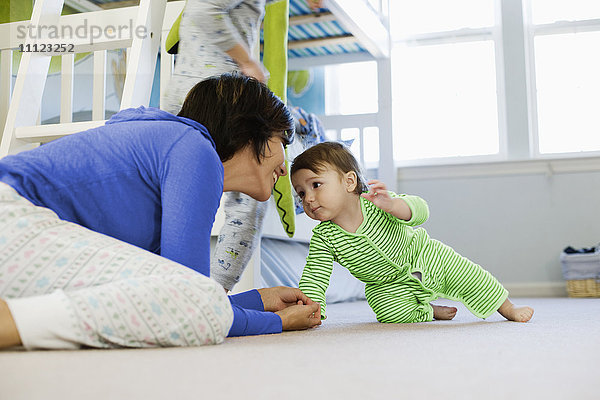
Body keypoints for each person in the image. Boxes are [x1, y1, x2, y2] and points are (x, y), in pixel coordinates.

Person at [0, 74, 321, 350]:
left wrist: (259, 302)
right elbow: (195, 302)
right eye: (282, 140)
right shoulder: (196, 151)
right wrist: (275, 323)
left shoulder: (173, 149)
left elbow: (175, 292)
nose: (284, 164)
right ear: (249, 133)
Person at [162, 0, 323, 292]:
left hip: (189, 94)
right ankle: (216, 291)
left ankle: (176, 285)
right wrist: (247, 60)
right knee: (251, 197)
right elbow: (203, 11)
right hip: (221, 99)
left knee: (184, 191)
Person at [290, 142, 534, 324]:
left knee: (470, 276)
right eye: (301, 193)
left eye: (316, 185)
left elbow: (421, 211)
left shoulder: (377, 202)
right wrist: (312, 308)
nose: (308, 199)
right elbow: (315, 276)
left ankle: (507, 307)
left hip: (424, 255)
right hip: (385, 284)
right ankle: (427, 310)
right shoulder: (324, 237)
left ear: (349, 182)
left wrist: (394, 206)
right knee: (388, 313)